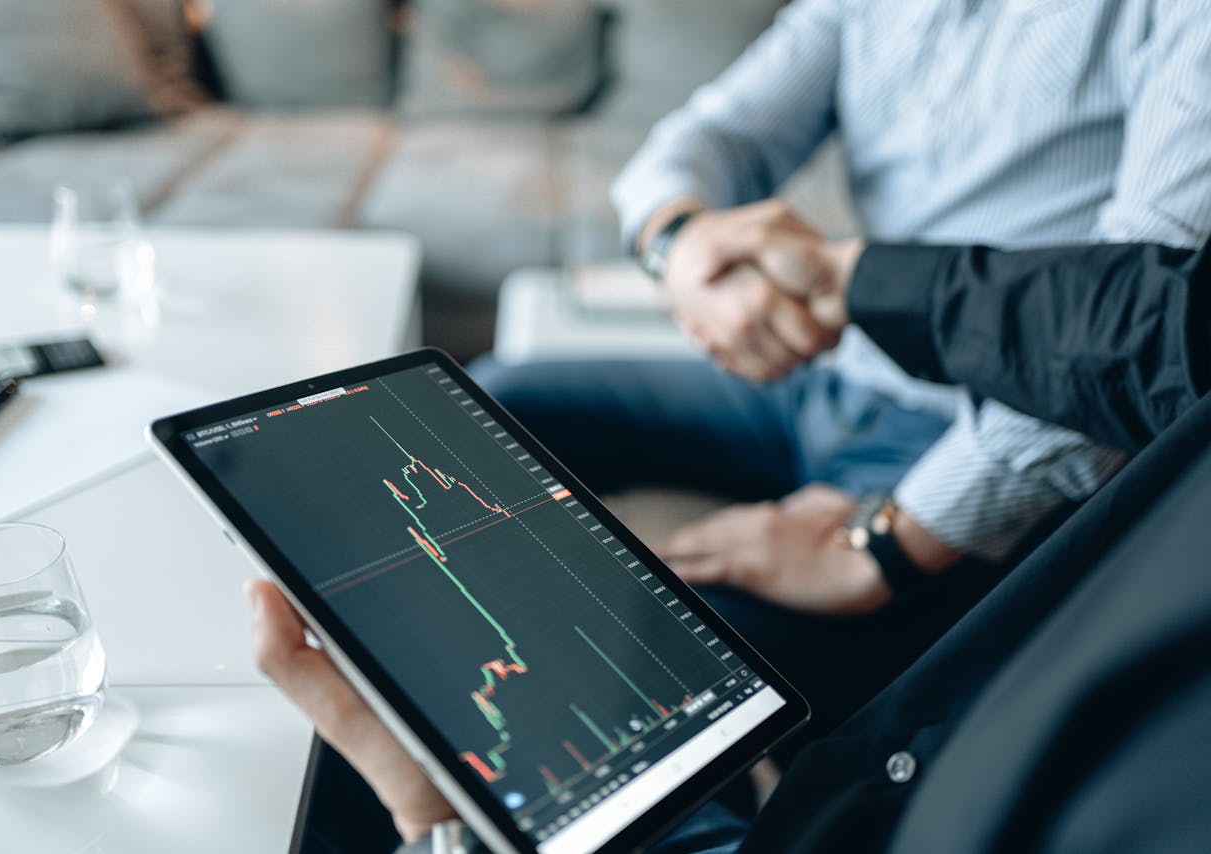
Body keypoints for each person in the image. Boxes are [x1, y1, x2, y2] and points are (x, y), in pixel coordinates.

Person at [248, 235, 1211, 853]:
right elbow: (1170, 320)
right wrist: (847, 277)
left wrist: (438, 830)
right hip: (842, 378)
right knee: (474, 411)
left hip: (842, 805)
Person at [469, 0, 1211, 741]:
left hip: (977, 430)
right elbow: (716, 133)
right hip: (826, 371)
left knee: (679, 654)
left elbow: (1139, 337)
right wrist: (683, 243)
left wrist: (886, 544)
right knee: (482, 412)